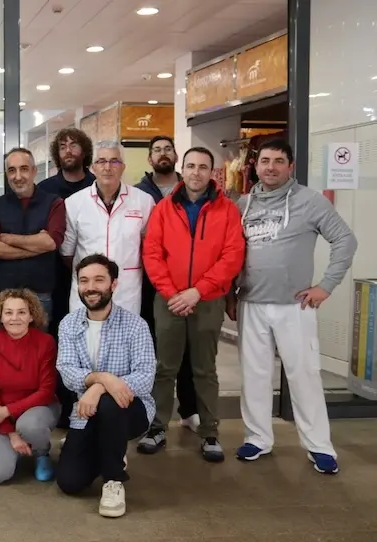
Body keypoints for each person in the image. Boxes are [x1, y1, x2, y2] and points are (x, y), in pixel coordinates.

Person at [231, 139, 357, 474]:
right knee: (254, 375)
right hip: (252, 302)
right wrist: (231, 293)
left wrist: (326, 286)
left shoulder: (309, 201)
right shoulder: (243, 203)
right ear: (255, 166)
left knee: (304, 375)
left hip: (295, 305)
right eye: (265, 161)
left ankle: (319, 446)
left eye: (279, 161)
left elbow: (346, 239)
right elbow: (231, 253)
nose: (271, 167)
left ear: (291, 166)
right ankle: (258, 438)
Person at [139, 147, 245, 462]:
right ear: (181, 170)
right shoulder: (163, 209)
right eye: (190, 166)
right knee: (163, 368)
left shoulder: (227, 210)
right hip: (168, 300)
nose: (195, 172)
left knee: (204, 369)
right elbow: (152, 253)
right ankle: (156, 427)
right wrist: (172, 293)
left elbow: (232, 256)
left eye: (202, 167)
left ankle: (210, 432)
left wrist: (197, 292)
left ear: (212, 172)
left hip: (208, 301)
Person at [55, 254, 156, 519]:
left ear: (113, 285)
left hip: (131, 410)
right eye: (84, 280)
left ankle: (114, 480)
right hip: (86, 411)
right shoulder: (68, 324)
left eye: (99, 280)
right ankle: (110, 449)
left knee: (110, 403)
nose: (91, 287)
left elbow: (146, 377)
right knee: (69, 482)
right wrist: (102, 379)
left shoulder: (135, 324)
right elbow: (66, 372)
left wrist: (101, 386)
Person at [134, 135, 200, 434]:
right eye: (156, 150)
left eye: (168, 149)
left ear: (176, 157)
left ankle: (189, 409)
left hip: (189, 285)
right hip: (149, 284)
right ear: (149, 159)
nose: (163, 154)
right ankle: (151, 414)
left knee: (188, 350)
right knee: (154, 352)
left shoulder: (192, 191)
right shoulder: (138, 194)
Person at [36, 127, 96, 429]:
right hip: (56, 279)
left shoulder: (98, 185)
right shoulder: (46, 189)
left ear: (84, 151)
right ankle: (62, 404)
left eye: (74, 145)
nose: (68, 150)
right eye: (62, 146)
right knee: (61, 341)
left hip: (94, 283)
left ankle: (94, 403)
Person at [60, 140, 156, 316]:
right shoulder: (74, 203)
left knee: (125, 341)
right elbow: (67, 253)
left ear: (123, 167)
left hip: (126, 291)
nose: (108, 167)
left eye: (114, 161)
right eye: (101, 161)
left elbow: (150, 247)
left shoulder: (144, 201)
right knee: (87, 340)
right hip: (87, 291)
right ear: (92, 168)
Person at [0, 289, 59, 485]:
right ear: (1, 316)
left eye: (21, 312)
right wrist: (12, 435)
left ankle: (41, 453)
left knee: (29, 426)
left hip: (39, 409)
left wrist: (7, 410)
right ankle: (19, 443)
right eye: (8, 312)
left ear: (32, 316)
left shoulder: (46, 342)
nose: (15, 318)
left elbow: (46, 392)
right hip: (3, 416)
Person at [0, 147, 65, 328]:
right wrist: (36, 246)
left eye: (24, 168)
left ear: (34, 171)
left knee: (40, 350)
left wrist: (7, 238)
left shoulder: (54, 203)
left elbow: (51, 242)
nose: (18, 176)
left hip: (40, 294)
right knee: (3, 350)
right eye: (12, 170)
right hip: (2, 294)